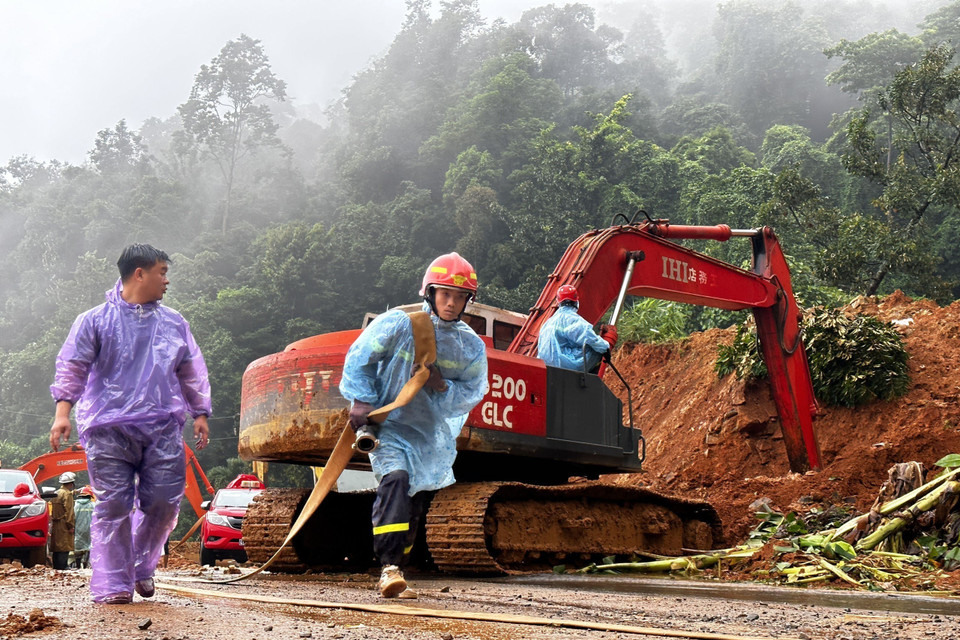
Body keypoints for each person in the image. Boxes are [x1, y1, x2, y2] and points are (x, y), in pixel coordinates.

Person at [49, 243, 211, 605]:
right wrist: (63, 413)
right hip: (108, 428)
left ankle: (141, 564)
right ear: (139, 273)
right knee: (114, 505)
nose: (167, 280)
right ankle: (113, 584)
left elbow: (190, 370)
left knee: (164, 502)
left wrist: (199, 412)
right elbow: (73, 367)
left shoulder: (173, 323)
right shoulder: (94, 321)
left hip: (162, 427)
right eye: (162, 272)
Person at [340, 252, 488, 599]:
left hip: (428, 435)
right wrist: (362, 400)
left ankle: (401, 565)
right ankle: (389, 568)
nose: (451, 303)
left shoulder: (470, 346)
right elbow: (359, 358)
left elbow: (470, 393)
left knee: (415, 500)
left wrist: (439, 384)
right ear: (430, 293)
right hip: (389, 426)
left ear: (468, 301)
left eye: (459, 296)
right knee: (396, 480)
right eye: (445, 294)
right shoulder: (399, 323)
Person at [537, 284, 618, 372]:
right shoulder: (572, 319)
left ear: (558, 302)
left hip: (545, 365)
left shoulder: (548, 322)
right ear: (576, 301)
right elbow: (589, 337)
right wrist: (605, 349)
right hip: (564, 365)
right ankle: (590, 378)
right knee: (596, 349)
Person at [50, 472, 76, 570]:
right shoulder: (67, 494)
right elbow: (69, 511)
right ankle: (63, 566)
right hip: (64, 523)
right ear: (71, 483)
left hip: (56, 523)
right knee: (65, 545)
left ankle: (56, 566)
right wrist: (71, 526)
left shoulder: (57, 493)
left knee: (57, 546)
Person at [73, 486, 95, 569]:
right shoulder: (93, 505)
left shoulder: (75, 505)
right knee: (89, 546)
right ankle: (86, 564)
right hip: (90, 529)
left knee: (78, 547)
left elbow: (72, 517)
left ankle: (78, 565)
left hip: (78, 529)